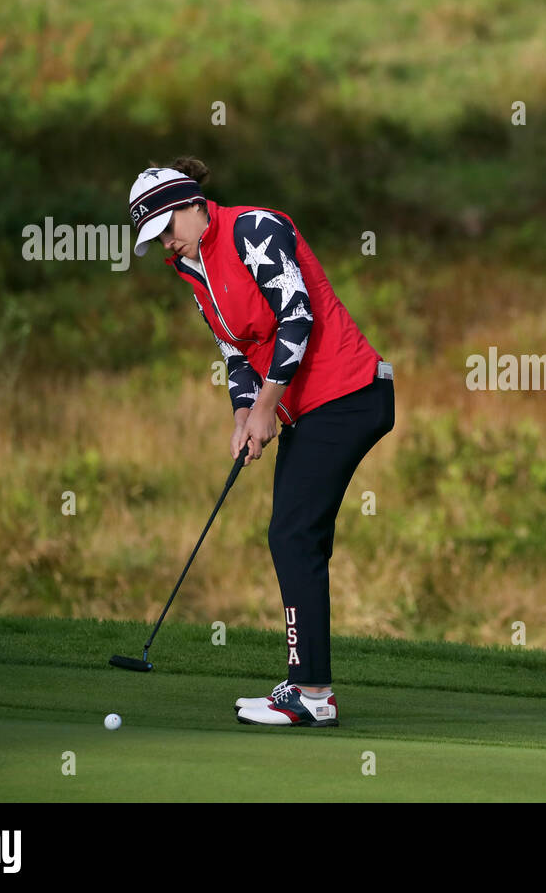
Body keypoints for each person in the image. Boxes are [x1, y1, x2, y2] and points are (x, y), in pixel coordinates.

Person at [128, 157, 394, 727]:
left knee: (292, 533)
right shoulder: (193, 268)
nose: (167, 246)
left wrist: (268, 407)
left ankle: (312, 694)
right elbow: (233, 348)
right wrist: (244, 412)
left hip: (346, 394)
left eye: (167, 230)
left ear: (193, 207)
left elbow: (296, 318)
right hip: (310, 406)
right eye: (156, 240)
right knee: (297, 536)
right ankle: (307, 685)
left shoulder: (254, 230)